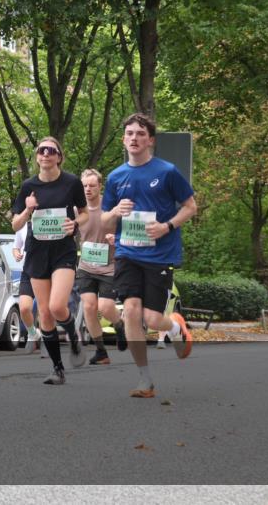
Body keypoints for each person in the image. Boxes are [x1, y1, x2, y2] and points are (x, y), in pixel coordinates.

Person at [102, 113, 195, 399]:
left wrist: (166, 227)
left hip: (159, 255)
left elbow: (190, 207)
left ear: (150, 140)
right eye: (130, 133)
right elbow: (104, 221)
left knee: (153, 320)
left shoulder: (167, 171)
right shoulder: (115, 177)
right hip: (127, 253)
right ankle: (145, 379)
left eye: (140, 134)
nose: (134, 138)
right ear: (123, 139)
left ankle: (175, 327)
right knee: (130, 311)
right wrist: (115, 212)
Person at [11, 137, 88, 385]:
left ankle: (73, 335)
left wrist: (74, 223)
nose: (45, 154)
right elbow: (15, 225)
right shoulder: (28, 186)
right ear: (37, 157)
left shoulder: (71, 182)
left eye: (51, 150)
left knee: (56, 306)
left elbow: (85, 214)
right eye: (41, 150)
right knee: (44, 313)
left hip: (63, 251)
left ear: (59, 157)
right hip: (37, 252)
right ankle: (57, 369)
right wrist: (28, 209)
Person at [75, 169, 125, 365]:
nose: (88, 189)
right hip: (86, 266)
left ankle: (119, 325)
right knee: (89, 306)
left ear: (100, 186)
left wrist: (117, 239)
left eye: (92, 185)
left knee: (105, 307)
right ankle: (101, 352)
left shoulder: (110, 206)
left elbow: (127, 228)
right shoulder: (77, 209)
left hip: (109, 266)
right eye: (84, 186)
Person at [11, 223, 41, 355]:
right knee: (24, 308)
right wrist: (17, 254)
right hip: (28, 271)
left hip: (46, 272)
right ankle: (32, 333)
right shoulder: (23, 225)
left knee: (44, 309)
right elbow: (16, 247)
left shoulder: (50, 222)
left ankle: (47, 340)